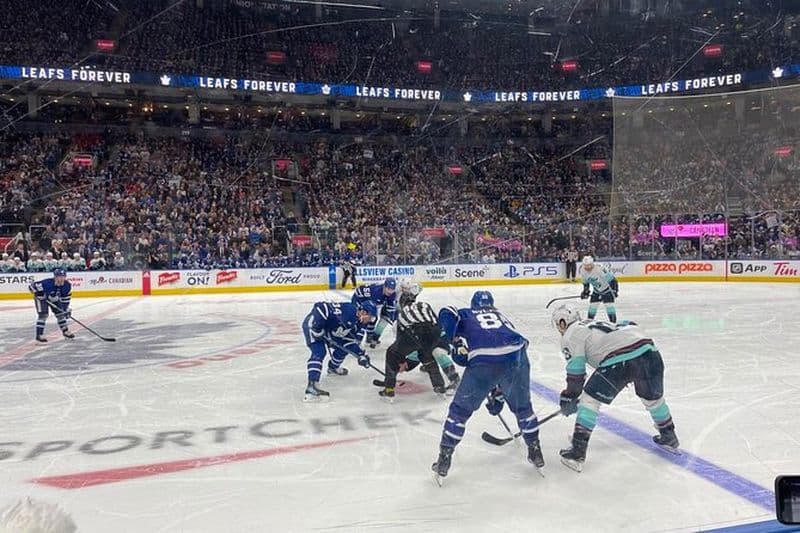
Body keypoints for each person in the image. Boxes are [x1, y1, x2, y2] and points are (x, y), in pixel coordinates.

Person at [431, 291, 544, 483]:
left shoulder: (467, 314)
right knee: (523, 408)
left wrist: (451, 340)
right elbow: (506, 354)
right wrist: (499, 393)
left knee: (459, 411)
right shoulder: (501, 317)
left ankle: (444, 459)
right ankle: (535, 451)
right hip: (517, 355)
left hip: (484, 359)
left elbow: (446, 311)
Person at [551, 305, 679, 472]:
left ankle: (577, 451)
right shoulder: (594, 323)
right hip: (650, 353)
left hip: (620, 360)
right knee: (653, 399)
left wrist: (570, 396)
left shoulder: (571, 334)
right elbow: (630, 324)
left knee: (589, 400)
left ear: (562, 323)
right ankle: (669, 436)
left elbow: (576, 372)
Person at [378, 281, 459, 401]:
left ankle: (389, 389)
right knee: (427, 356)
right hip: (434, 334)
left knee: (391, 352)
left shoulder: (401, 315)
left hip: (416, 334)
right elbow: (435, 323)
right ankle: (439, 386)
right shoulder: (424, 305)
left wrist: (401, 362)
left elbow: (402, 342)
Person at [301, 299, 377, 401]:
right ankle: (312, 386)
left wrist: (361, 354)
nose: (371, 320)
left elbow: (349, 342)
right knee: (319, 352)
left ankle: (333, 368)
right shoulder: (348, 311)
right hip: (312, 326)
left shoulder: (360, 323)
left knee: (343, 348)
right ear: (363, 312)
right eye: (370, 317)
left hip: (329, 331)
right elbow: (320, 307)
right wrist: (317, 328)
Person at [28, 268, 74, 342]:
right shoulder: (47, 283)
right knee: (43, 315)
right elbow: (31, 286)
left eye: (63, 276)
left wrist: (65, 309)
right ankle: (39, 335)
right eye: (59, 276)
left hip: (54, 299)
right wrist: (38, 293)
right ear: (55, 277)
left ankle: (65, 331)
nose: (62, 278)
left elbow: (66, 299)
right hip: (42, 299)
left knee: (61, 314)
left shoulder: (67, 285)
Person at [351, 277, 397, 348]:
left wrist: (392, 318)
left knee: (373, 318)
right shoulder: (376, 293)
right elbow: (370, 312)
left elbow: (391, 308)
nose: (390, 292)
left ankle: (369, 336)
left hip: (369, 301)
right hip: (359, 299)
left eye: (392, 289)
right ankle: (355, 338)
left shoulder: (392, 294)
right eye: (388, 289)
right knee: (363, 319)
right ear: (384, 287)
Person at [579, 255, 618, 322]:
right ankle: (589, 321)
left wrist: (614, 291)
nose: (587, 267)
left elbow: (613, 280)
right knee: (592, 306)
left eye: (589, 265)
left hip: (607, 290)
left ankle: (613, 322)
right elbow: (585, 283)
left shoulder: (600, 269)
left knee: (609, 306)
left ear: (592, 264)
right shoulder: (582, 270)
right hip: (596, 290)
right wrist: (585, 291)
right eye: (585, 265)